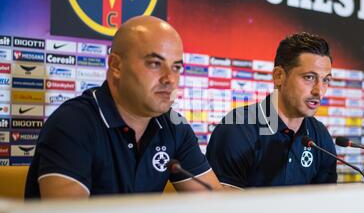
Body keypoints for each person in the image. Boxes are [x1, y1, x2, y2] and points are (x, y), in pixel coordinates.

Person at [25, 16, 222, 199]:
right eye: (155, 64)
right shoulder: (74, 123)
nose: (169, 79)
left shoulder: (174, 127)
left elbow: (217, 209)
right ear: (116, 66)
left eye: (176, 67)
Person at [206, 32, 337, 190]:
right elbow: (222, 209)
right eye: (309, 77)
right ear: (279, 76)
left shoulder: (320, 136)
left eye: (325, 80)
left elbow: (325, 206)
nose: (319, 91)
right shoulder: (237, 129)